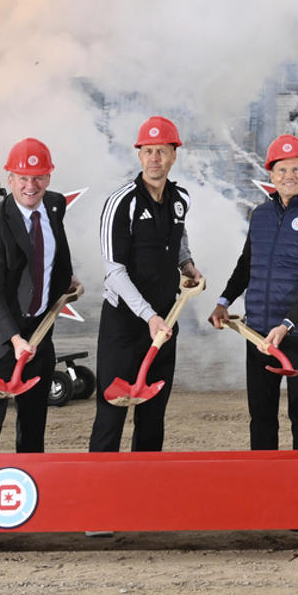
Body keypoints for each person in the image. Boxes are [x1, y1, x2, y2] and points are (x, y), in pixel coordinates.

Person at [210, 134, 298, 450]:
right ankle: (265, 481)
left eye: (296, 169)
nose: (289, 177)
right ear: (270, 174)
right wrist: (223, 301)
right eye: (281, 170)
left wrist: (287, 324)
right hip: (258, 335)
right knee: (261, 415)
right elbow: (246, 264)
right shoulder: (261, 216)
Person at [90, 115, 203, 453]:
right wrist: (148, 316)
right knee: (111, 416)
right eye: (149, 151)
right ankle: (100, 488)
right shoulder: (120, 202)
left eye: (162, 151)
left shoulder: (180, 198)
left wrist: (187, 264)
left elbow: (178, 237)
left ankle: (146, 487)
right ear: (139, 155)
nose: (155, 158)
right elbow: (114, 271)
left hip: (165, 321)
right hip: (125, 324)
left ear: (174, 155)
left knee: (153, 417)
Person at [0, 138, 76, 454]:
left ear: (49, 178)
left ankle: (30, 489)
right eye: (23, 178)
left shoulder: (55, 205)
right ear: (10, 179)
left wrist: (64, 278)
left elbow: (47, 254)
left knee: (33, 429)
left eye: (38, 177)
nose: (31, 185)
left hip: (40, 333)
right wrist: (15, 339)